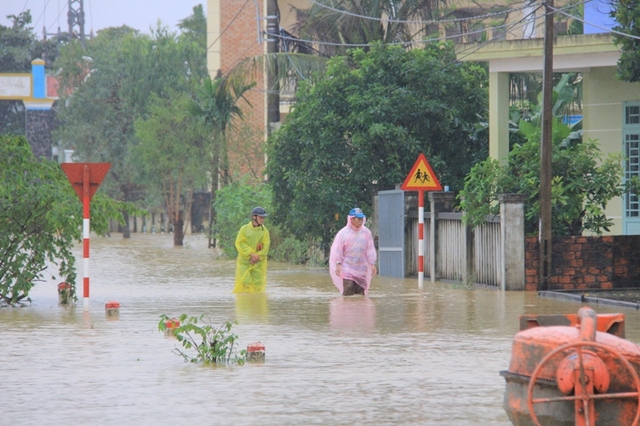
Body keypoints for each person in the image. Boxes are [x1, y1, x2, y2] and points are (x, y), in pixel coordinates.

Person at [329, 207, 377, 296]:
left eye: (362, 218)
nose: (361, 221)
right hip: (347, 267)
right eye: (358, 219)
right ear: (351, 219)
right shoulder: (343, 233)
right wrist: (338, 264)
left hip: (361, 268)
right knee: (349, 289)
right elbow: (338, 250)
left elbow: (370, 249)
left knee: (360, 293)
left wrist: (372, 264)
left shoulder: (366, 233)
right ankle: (346, 309)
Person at [233, 206, 271, 293]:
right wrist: (251, 254)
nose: (262, 219)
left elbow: (266, 247)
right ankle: (246, 305)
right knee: (245, 283)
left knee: (257, 286)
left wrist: (257, 257)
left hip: (259, 264)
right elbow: (240, 243)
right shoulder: (244, 229)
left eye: (263, 217)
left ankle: (256, 305)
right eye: (260, 217)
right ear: (254, 217)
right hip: (244, 262)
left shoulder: (264, 231)